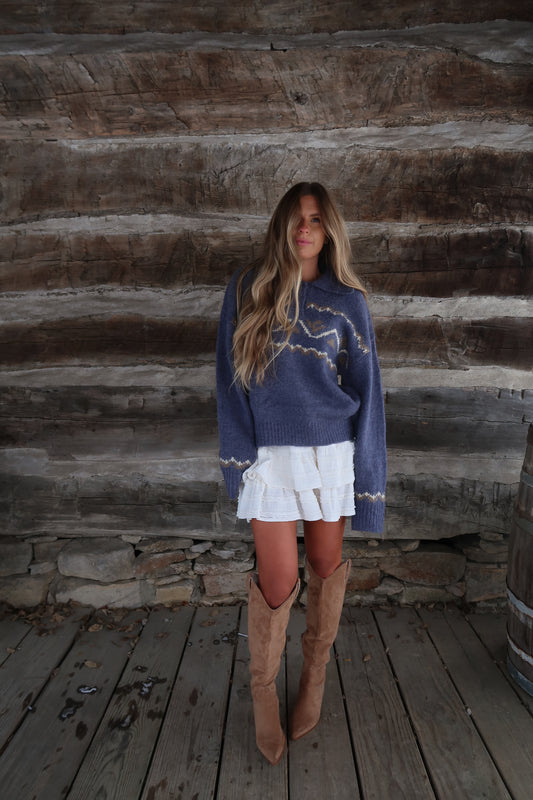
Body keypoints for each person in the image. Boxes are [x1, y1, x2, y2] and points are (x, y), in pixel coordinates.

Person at [216, 181, 386, 765]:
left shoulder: (348, 302)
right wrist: (238, 462)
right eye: (295, 217)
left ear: (328, 229)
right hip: (271, 458)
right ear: (281, 226)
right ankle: (264, 691)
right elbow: (228, 384)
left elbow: (369, 397)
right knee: (277, 581)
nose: (304, 228)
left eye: (315, 218)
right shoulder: (247, 289)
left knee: (324, 568)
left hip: (330, 457)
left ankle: (313, 678)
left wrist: (369, 487)